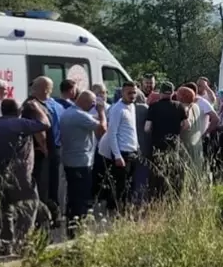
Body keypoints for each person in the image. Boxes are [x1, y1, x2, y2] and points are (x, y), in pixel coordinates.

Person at [0, 99, 49, 249]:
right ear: (18, 111)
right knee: (28, 206)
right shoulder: (20, 124)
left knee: (5, 209)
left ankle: (6, 243)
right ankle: (22, 241)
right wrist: (37, 108)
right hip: (21, 175)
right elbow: (45, 125)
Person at [59, 90, 107, 230]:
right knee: (81, 196)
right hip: (80, 162)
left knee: (73, 195)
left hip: (70, 160)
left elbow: (90, 118)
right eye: (92, 104)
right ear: (85, 102)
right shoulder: (79, 115)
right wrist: (102, 112)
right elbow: (102, 128)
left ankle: (72, 225)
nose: (93, 107)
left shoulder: (68, 112)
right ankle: (78, 226)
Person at [97, 81, 140, 212]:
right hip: (122, 152)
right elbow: (112, 133)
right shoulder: (117, 109)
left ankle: (124, 210)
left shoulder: (132, 107)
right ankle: (116, 211)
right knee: (120, 186)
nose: (132, 95)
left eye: (134, 92)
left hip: (132, 150)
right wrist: (117, 155)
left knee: (129, 185)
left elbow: (131, 129)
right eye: (129, 93)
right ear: (122, 93)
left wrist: (137, 146)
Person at [144, 81, 189, 199]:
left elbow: (147, 128)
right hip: (173, 145)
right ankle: (171, 197)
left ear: (160, 92)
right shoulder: (179, 106)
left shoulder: (153, 107)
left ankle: (156, 197)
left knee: (157, 173)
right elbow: (187, 125)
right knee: (172, 172)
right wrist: (177, 132)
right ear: (172, 93)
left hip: (157, 145)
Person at [22, 77, 57, 222]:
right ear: (45, 89)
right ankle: (40, 220)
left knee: (46, 186)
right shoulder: (32, 105)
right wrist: (44, 147)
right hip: (39, 154)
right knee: (41, 187)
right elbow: (39, 129)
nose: (51, 91)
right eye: (50, 88)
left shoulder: (37, 103)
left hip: (41, 152)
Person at [174, 86, 209, 189]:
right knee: (196, 172)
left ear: (181, 97)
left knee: (185, 173)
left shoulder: (184, 109)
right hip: (197, 144)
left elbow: (186, 125)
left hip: (187, 145)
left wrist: (175, 133)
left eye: (178, 94)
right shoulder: (196, 106)